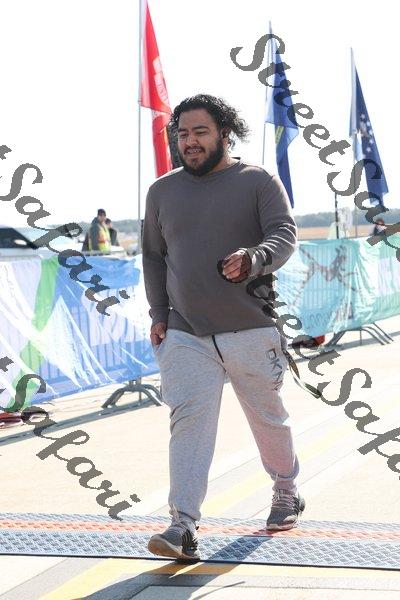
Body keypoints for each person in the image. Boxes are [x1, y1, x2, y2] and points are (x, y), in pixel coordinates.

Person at [142, 94, 303, 562]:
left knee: (267, 418)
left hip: (250, 327)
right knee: (188, 423)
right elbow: (153, 256)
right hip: (185, 331)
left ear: (224, 134)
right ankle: (183, 525)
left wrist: (255, 257)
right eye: (182, 134)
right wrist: (158, 313)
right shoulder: (162, 191)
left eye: (200, 132)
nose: (189, 142)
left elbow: (284, 234)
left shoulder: (257, 180)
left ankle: (286, 488)